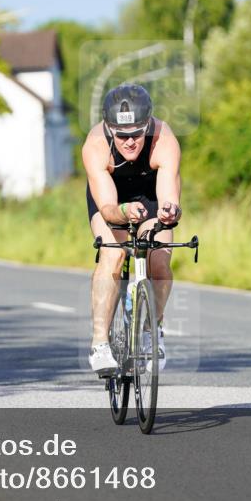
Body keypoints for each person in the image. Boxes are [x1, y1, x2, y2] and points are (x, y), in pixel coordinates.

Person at [82, 84, 182, 373]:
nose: (129, 142)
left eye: (137, 134)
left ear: (148, 126)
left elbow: (168, 197)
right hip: (111, 199)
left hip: (150, 194)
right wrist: (123, 212)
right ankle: (100, 342)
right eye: (121, 135)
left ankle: (153, 329)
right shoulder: (96, 145)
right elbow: (108, 208)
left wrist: (168, 210)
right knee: (113, 255)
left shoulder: (164, 140)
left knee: (160, 259)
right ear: (109, 129)